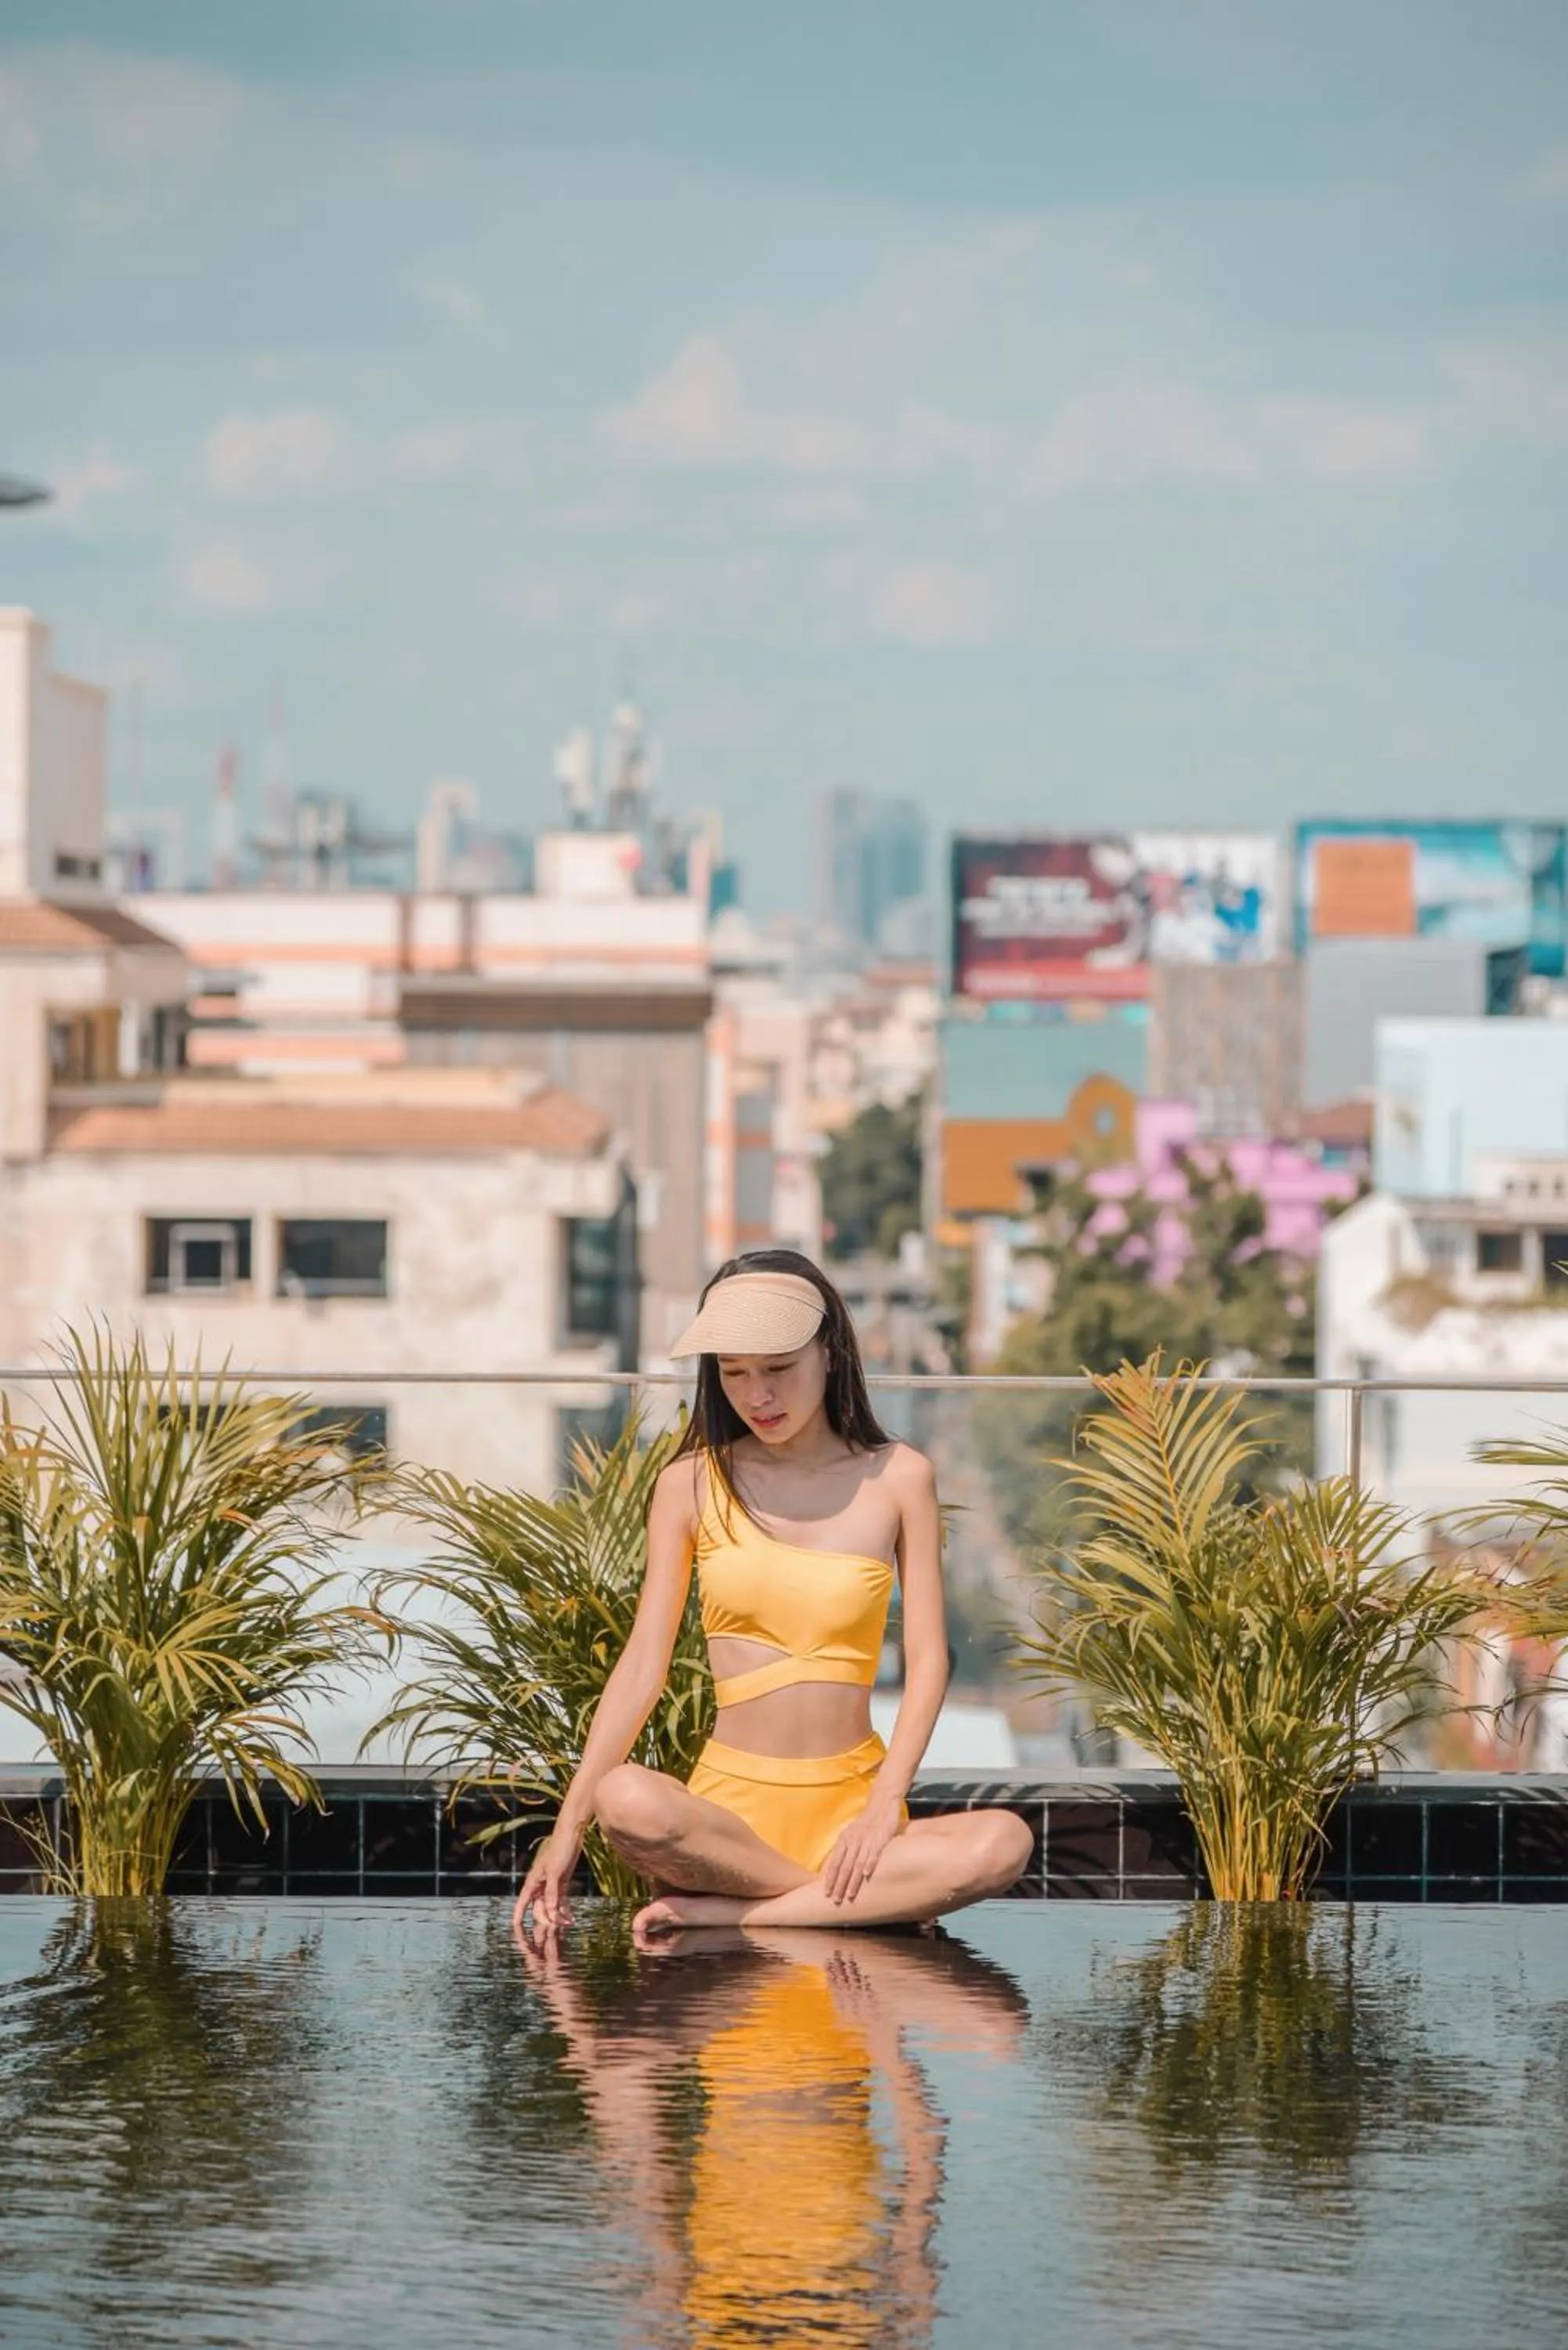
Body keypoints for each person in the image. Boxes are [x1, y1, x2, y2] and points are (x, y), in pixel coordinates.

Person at [515, 1248, 1033, 1940]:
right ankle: (845, 1906)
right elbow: (643, 1667)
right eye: (735, 1375)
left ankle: (745, 1917)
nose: (758, 1397)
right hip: (729, 1825)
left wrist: (885, 1804)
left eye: (779, 1371)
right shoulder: (690, 1485)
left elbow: (930, 1660)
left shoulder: (901, 1477)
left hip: (856, 1813)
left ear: (830, 1354)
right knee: (624, 1798)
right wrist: (567, 1829)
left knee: (1005, 1842)